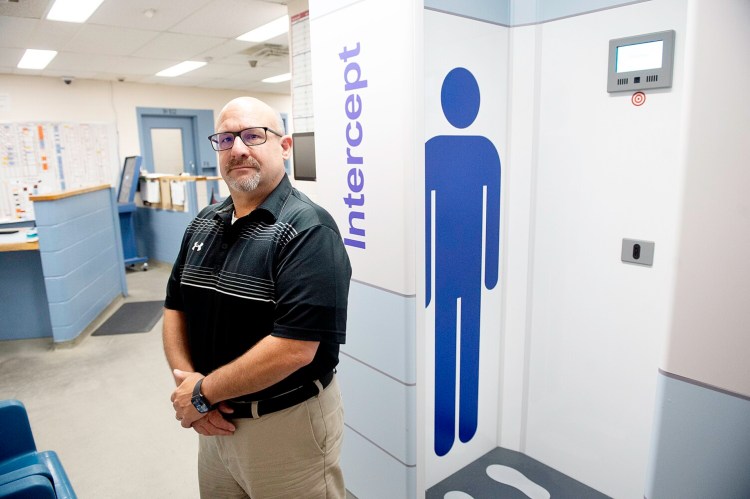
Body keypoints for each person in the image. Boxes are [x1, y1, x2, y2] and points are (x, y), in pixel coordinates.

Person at [163, 96, 352, 498]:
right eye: (227, 138)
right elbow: (175, 308)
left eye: (253, 135)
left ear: (284, 147)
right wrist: (191, 390)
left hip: (285, 426)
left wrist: (201, 393)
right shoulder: (204, 222)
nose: (239, 149)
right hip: (212, 422)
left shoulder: (309, 229)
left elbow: (294, 348)